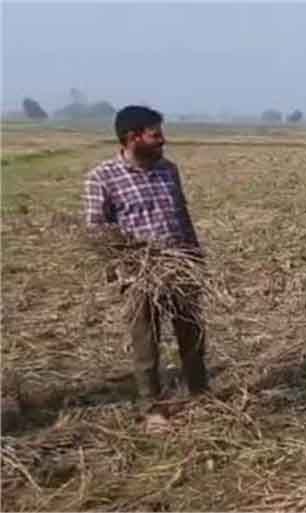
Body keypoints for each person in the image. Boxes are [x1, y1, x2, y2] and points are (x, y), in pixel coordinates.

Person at [83, 105, 208, 432]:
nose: (163, 140)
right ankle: (153, 409)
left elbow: (182, 215)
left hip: (180, 266)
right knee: (146, 343)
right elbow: (97, 232)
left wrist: (195, 256)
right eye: (155, 135)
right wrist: (130, 262)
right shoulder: (102, 177)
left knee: (192, 334)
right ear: (132, 138)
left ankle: (200, 394)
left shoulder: (169, 170)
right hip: (138, 273)